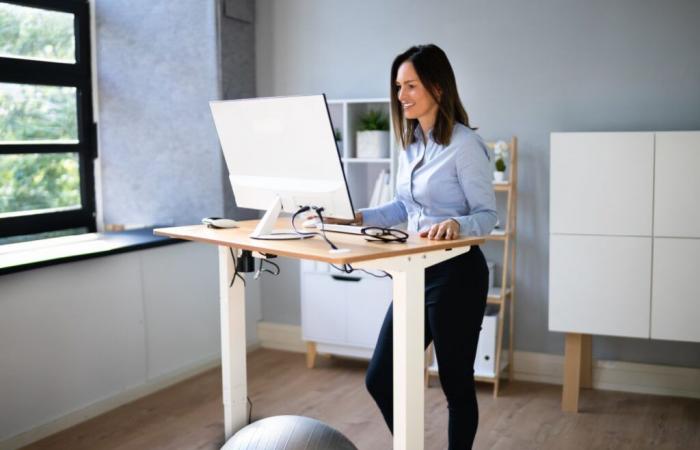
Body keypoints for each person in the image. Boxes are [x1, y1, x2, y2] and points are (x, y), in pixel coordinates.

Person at [325, 43, 496, 449]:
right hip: (414, 272)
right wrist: (358, 216)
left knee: (455, 385)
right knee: (380, 378)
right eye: (398, 86)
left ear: (437, 87)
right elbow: (403, 206)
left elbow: (488, 216)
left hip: (457, 273)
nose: (401, 95)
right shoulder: (411, 145)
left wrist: (457, 223)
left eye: (411, 85)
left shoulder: (465, 145)